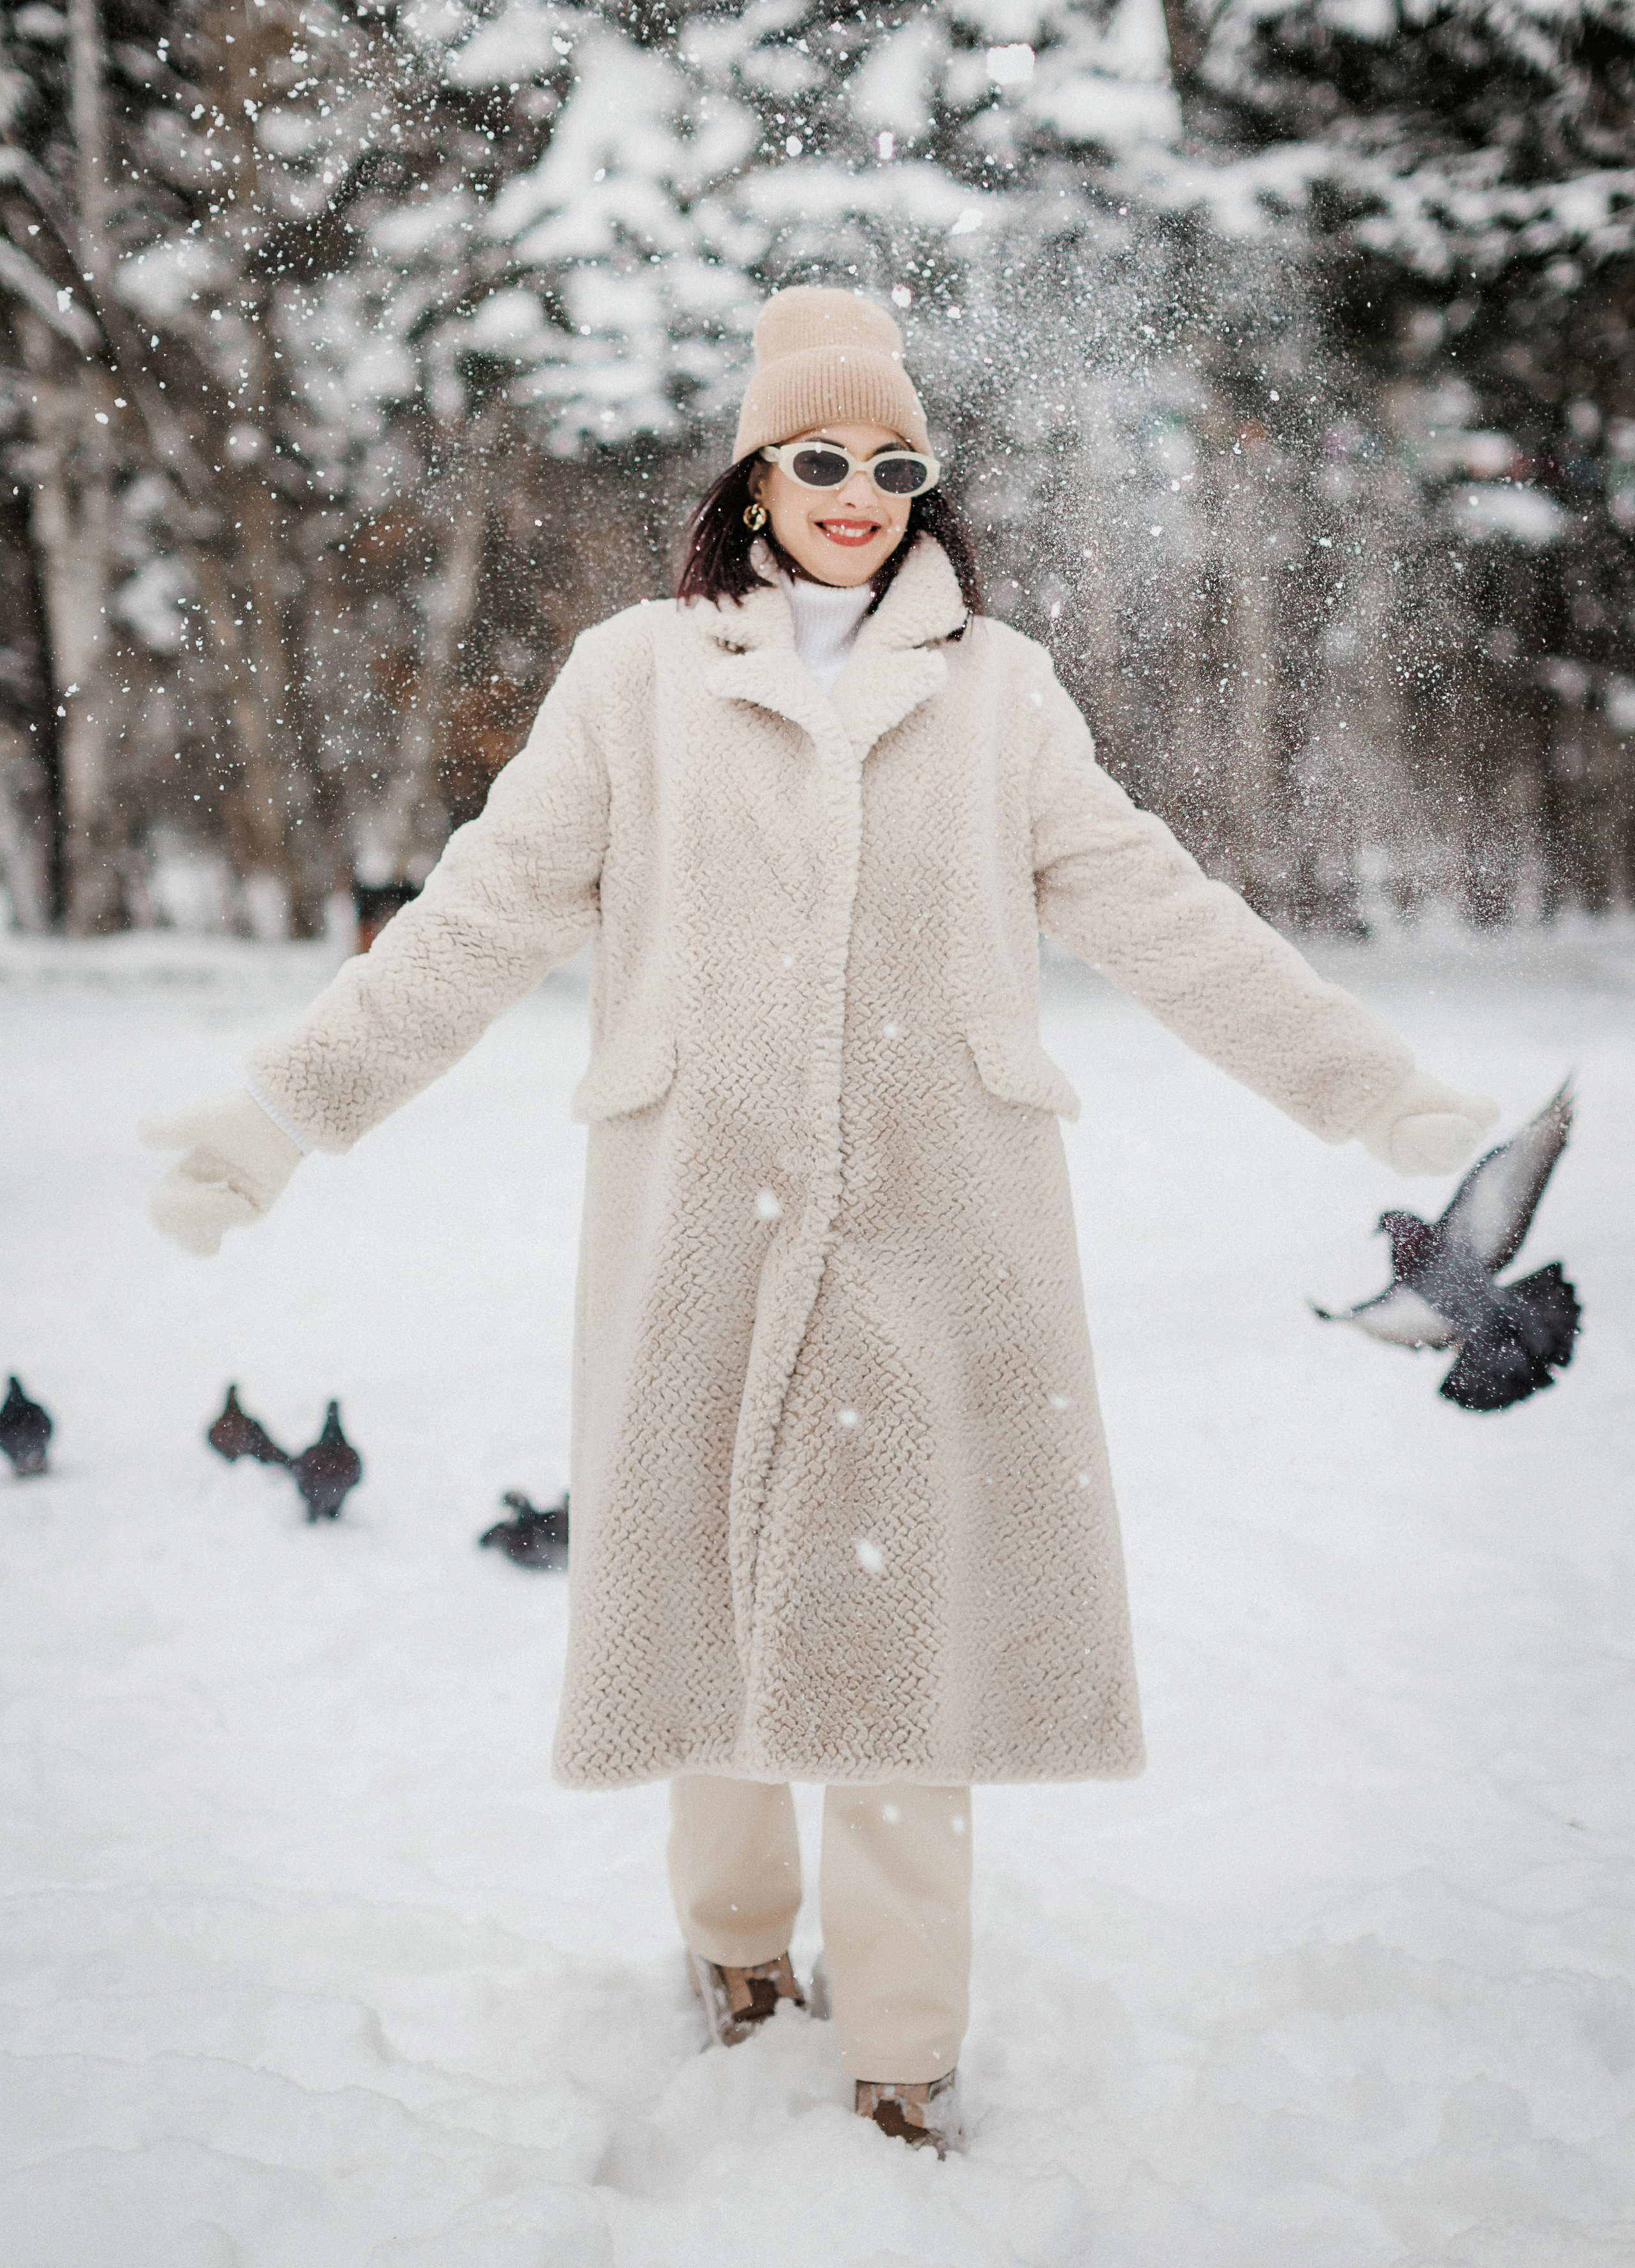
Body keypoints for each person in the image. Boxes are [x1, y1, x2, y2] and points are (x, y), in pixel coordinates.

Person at [143, 286, 1496, 2156]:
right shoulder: (633, 682)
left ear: (927, 484)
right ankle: (735, 1953)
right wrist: (277, 1114)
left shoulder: (1000, 693)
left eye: (893, 463)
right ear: (756, 470)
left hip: (944, 1239)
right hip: (700, 1220)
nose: (857, 494)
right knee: (698, 1622)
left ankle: (907, 2048)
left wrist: (1365, 1085)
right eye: (819, 456)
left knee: (904, 1649)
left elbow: (1160, 913)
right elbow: (472, 926)